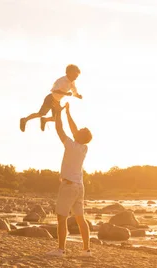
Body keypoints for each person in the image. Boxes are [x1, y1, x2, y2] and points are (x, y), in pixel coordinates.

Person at [45, 102, 93, 257]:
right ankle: (86, 250)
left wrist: (58, 112)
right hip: (79, 186)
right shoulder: (84, 147)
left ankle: (60, 250)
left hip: (69, 186)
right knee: (80, 218)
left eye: (78, 131)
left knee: (61, 218)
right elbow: (74, 130)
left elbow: (60, 129)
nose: (76, 130)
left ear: (79, 136)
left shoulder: (71, 145)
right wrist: (67, 113)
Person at [20, 64, 83, 132]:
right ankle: (24, 120)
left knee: (55, 118)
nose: (76, 78)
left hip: (57, 101)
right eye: (75, 75)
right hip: (50, 99)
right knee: (41, 114)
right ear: (69, 73)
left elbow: (74, 93)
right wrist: (66, 93)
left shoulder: (72, 82)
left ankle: (44, 120)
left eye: (77, 76)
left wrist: (78, 96)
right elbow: (54, 90)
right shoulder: (61, 80)